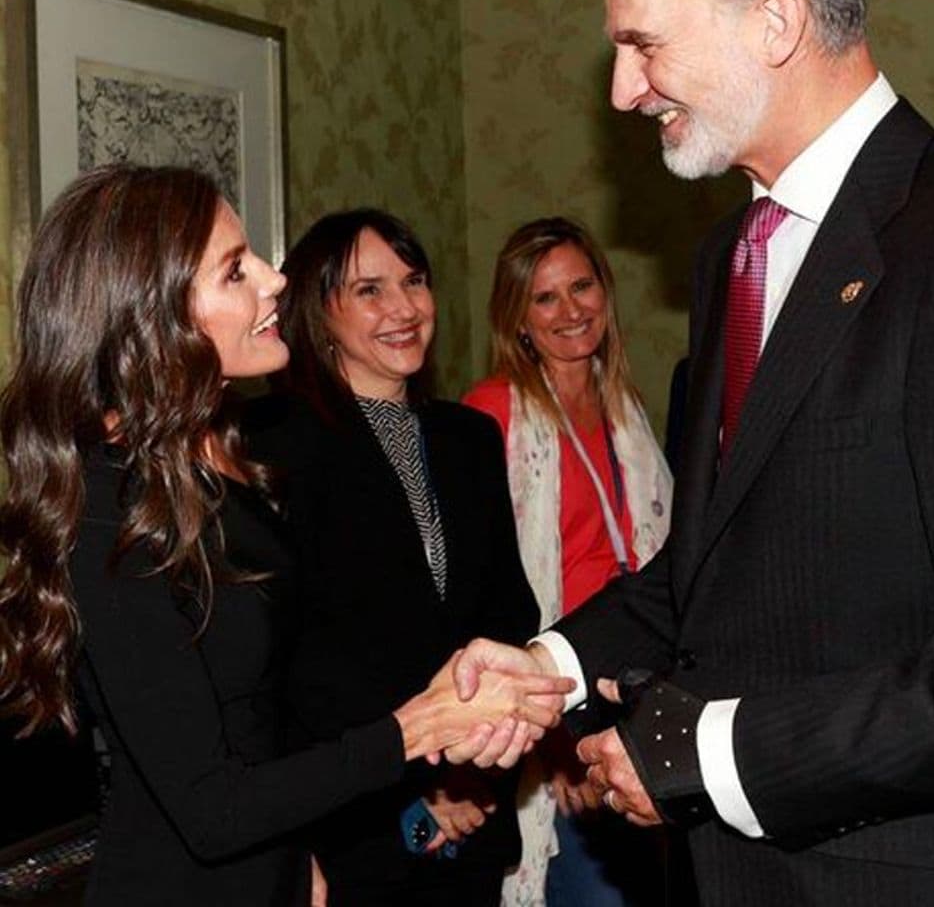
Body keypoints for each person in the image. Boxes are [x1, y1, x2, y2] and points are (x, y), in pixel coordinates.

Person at [451, 0, 934, 907]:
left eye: (643, 45)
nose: (621, 90)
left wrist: (712, 752)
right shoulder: (729, 257)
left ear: (775, 22)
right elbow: (716, 566)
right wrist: (550, 668)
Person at [0, 166, 569, 907]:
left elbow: (259, 717)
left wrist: (300, 849)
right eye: (236, 270)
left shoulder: (213, 466)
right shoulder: (110, 512)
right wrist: (416, 728)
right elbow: (210, 808)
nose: (274, 281)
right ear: (155, 312)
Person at [246, 208, 541, 906]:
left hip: (474, 804)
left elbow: (507, 611)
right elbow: (293, 659)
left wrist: (471, 773)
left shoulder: (467, 436)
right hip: (350, 822)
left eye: (414, 281)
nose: (403, 308)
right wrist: (417, 784)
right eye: (370, 291)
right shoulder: (273, 444)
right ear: (321, 312)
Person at [462, 217, 672, 905]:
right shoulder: (491, 415)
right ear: (518, 318)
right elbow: (481, 604)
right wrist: (554, 751)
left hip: (638, 699)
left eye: (582, 287)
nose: (571, 310)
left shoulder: (626, 411)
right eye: (546, 298)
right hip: (554, 715)